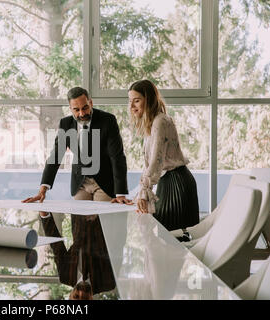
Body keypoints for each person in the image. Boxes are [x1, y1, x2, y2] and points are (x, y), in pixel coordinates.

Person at [22, 87, 131, 204]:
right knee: (80, 221)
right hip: (80, 183)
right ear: (70, 109)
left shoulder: (108, 120)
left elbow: (117, 156)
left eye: (85, 108)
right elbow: (55, 157)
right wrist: (42, 190)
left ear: (91, 103)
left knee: (101, 219)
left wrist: (120, 193)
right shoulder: (66, 124)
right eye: (76, 110)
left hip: (104, 183)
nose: (82, 113)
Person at [129, 79, 199, 231]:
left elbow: (155, 162)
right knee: (167, 238)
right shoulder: (154, 122)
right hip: (169, 181)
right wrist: (140, 191)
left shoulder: (160, 122)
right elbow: (150, 163)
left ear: (148, 100)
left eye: (136, 101)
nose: (131, 106)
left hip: (176, 183)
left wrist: (143, 192)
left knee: (172, 239)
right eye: (130, 101)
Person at [39, 211, 116, 299]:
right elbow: (117, 244)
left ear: (70, 295)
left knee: (80, 197)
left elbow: (57, 247)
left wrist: (45, 216)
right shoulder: (108, 282)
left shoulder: (65, 276)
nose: (81, 292)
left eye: (76, 296)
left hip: (78, 216)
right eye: (84, 298)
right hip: (105, 217)